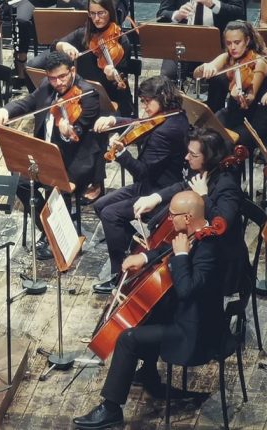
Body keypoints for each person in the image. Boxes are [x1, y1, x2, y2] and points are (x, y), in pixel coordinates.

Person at [73, 190, 225, 429]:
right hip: (184, 315)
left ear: (187, 218)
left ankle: (111, 409)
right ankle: (149, 376)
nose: (169, 219)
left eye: (172, 215)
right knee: (144, 311)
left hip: (195, 332)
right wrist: (143, 259)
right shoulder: (193, 232)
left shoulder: (210, 248)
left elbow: (186, 289)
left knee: (127, 338)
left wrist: (182, 255)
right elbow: (166, 251)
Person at [0, 51, 101, 260]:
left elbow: (81, 130)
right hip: (45, 155)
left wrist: (69, 132)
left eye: (62, 77)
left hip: (75, 159)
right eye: (53, 78)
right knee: (20, 183)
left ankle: (62, 236)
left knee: (55, 185)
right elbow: (28, 102)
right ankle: (49, 229)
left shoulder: (88, 95)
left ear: (73, 71)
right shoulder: (46, 85)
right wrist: (6, 110)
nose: (58, 83)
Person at [91, 75, 189, 293]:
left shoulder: (166, 132)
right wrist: (115, 121)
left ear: (162, 98)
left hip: (159, 191)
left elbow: (142, 172)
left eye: (147, 101)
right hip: (151, 183)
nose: (144, 107)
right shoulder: (174, 114)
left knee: (110, 214)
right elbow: (141, 124)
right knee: (100, 206)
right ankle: (133, 251)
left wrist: (122, 154)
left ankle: (120, 276)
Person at [133, 127, 249, 295]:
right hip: (202, 246)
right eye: (188, 152)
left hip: (221, 261)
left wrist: (203, 196)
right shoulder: (204, 171)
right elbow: (183, 185)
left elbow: (221, 223)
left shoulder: (228, 186)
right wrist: (156, 197)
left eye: (193, 155)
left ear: (209, 158)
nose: (187, 158)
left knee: (175, 286)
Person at [30, 0, 134, 118]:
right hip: (84, 95)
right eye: (92, 13)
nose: (96, 18)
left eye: (101, 13)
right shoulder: (84, 33)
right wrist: (64, 45)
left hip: (109, 98)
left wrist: (112, 78)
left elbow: (121, 83)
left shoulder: (122, 41)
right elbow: (54, 45)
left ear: (110, 12)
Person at [157, 0, 244, 111]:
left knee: (219, 78)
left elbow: (239, 13)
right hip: (184, 45)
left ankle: (213, 118)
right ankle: (176, 114)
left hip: (219, 47)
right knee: (167, 74)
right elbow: (161, 14)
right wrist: (177, 15)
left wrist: (212, 4)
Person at [195, 20, 267, 154]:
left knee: (224, 144)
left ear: (247, 40)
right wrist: (205, 67)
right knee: (201, 135)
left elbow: (250, 99)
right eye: (228, 43)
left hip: (252, 119)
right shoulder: (227, 57)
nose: (232, 47)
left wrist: (237, 96)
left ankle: (224, 173)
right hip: (232, 112)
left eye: (237, 42)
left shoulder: (259, 62)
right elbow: (196, 74)